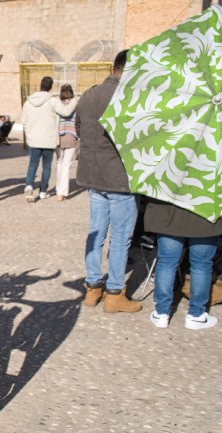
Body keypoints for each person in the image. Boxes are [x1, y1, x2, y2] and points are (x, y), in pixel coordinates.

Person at [76, 49, 142, 313]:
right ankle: (114, 292)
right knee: (120, 238)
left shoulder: (89, 94)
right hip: (119, 178)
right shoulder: (129, 96)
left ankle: (93, 287)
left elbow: (79, 129)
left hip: (93, 175)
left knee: (96, 232)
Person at [144, 201, 222, 329]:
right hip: (206, 213)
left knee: (167, 262)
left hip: (170, 211)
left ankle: (161, 313)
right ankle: (196, 315)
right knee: (201, 265)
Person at [21, 76, 78, 203]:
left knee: (32, 164)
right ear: (51, 87)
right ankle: (43, 192)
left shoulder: (28, 102)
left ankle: (29, 185)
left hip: (34, 139)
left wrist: (29, 133)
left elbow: (24, 120)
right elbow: (66, 112)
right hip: (48, 139)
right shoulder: (53, 101)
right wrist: (74, 101)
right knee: (46, 167)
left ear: (40, 85)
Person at [55, 84, 78, 202]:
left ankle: (58, 189)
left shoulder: (57, 105)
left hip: (59, 137)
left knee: (59, 163)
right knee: (67, 165)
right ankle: (62, 192)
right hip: (71, 136)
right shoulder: (75, 105)